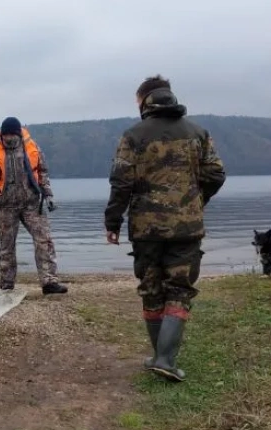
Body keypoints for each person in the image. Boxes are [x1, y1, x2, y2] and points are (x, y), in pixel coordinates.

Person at [104, 75, 226, 382]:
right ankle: (164, 358)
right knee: (180, 289)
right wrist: (196, 201)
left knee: (151, 287)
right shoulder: (198, 133)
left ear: (144, 101)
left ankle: (161, 358)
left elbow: (121, 182)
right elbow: (216, 174)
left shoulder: (133, 136)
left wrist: (113, 222)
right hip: (187, 227)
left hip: (146, 230)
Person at [0, 117, 68, 295]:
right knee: (6, 247)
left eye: (12, 134)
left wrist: (49, 195)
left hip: (32, 204)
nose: (9, 138)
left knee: (44, 241)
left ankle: (49, 282)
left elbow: (42, 172)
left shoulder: (32, 148)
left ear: (19, 133)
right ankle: (6, 285)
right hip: (5, 207)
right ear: (1, 135)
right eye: (6, 134)